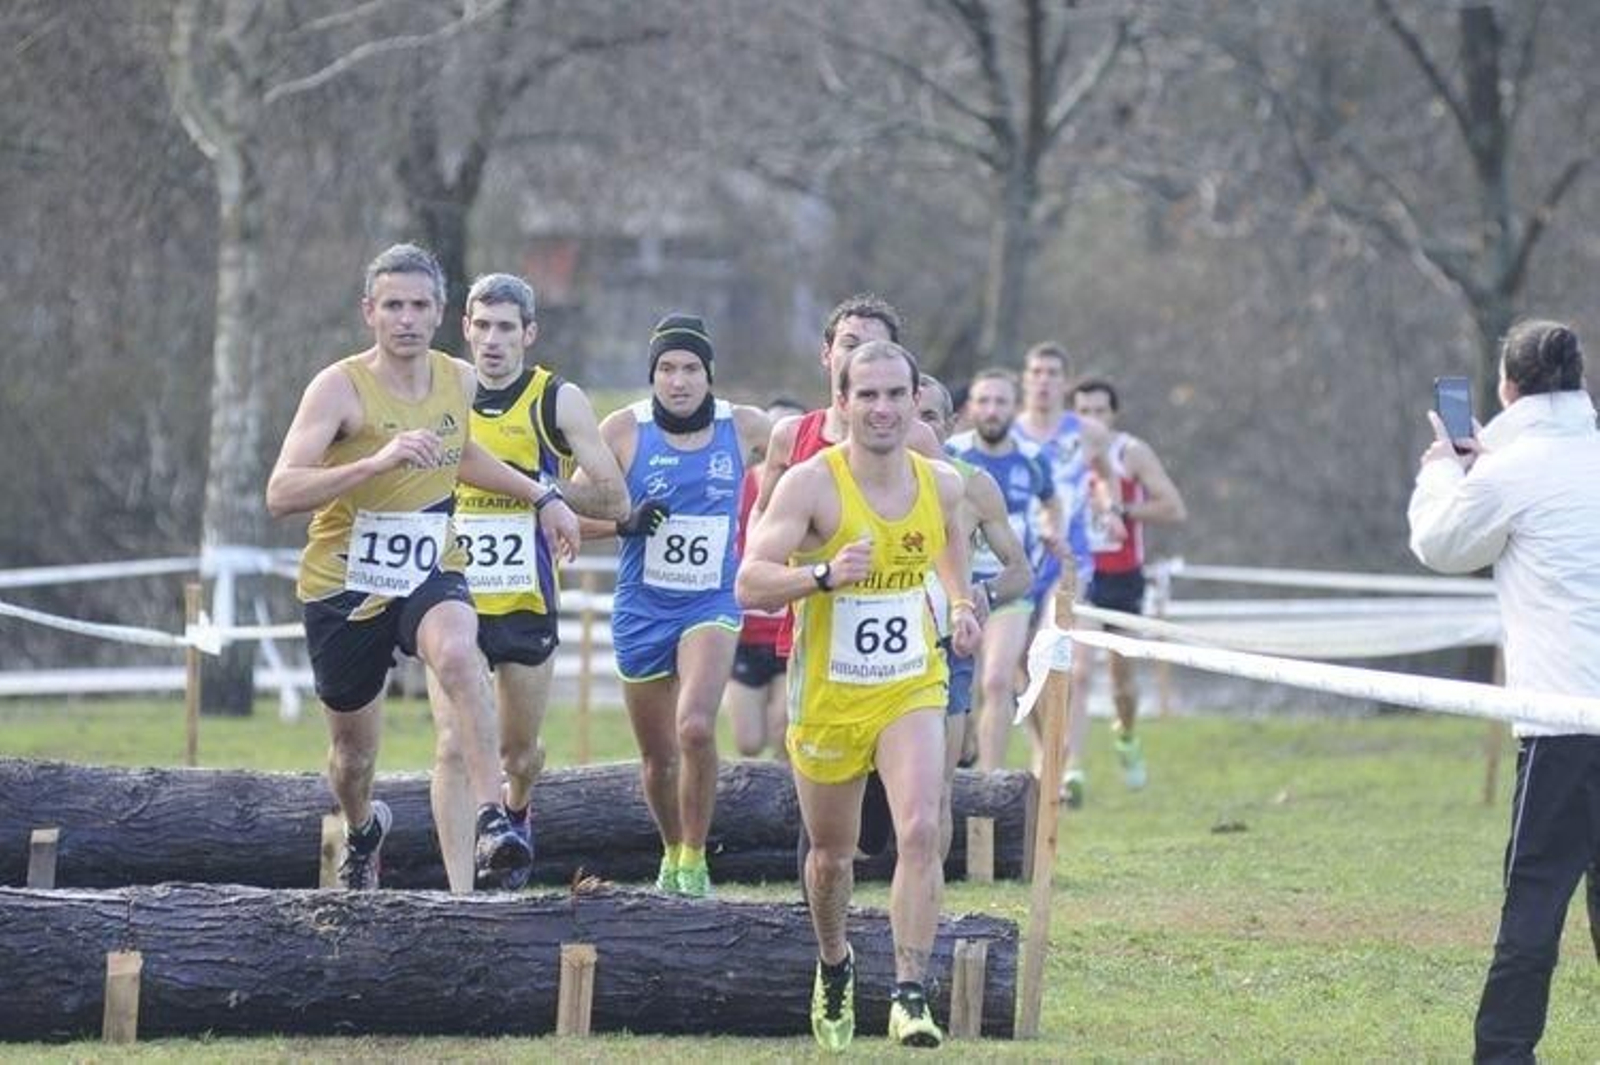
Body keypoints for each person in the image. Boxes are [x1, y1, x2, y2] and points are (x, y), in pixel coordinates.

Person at [266, 243, 580, 892]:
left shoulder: (455, 379)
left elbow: (460, 455)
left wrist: (543, 494)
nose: (405, 318)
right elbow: (281, 493)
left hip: (428, 563)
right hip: (345, 579)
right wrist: (373, 462)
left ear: (440, 312)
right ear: (369, 312)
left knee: (461, 653)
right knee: (353, 759)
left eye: (418, 305)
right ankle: (362, 828)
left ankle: (495, 819)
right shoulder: (339, 387)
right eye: (392, 306)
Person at [738, 340, 981, 1051]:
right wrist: (822, 576)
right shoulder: (811, 484)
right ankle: (835, 962)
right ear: (840, 402)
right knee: (832, 856)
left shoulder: (940, 483)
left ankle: (911, 992)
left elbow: (949, 545)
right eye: (866, 395)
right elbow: (751, 581)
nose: (882, 408)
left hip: (910, 682)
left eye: (895, 395)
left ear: (915, 401)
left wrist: (962, 605)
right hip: (830, 696)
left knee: (920, 829)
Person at [1408, 318, 1600, 1062]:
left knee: (1535, 905)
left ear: (1508, 387)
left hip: (1563, 723)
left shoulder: (1508, 470)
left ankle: (1504, 1052)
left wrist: (1444, 468)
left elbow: (1441, 544)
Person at [443, 272, 628, 887]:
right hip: (449, 596)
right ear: (465, 328)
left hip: (525, 598)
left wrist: (539, 489)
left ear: (529, 333)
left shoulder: (556, 400)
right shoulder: (441, 392)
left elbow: (613, 499)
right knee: (452, 743)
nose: (492, 341)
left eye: (506, 328)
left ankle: (517, 813)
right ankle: (461, 893)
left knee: (516, 754)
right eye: (482, 326)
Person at [578, 313, 771, 898]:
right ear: (652, 375)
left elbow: (811, 464)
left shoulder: (744, 427)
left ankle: (695, 855)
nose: (679, 380)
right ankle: (670, 849)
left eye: (691, 368)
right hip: (642, 606)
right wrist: (624, 521)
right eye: (666, 368)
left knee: (694, 727)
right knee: (658, 758)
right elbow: (564, 510)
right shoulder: (623, 432)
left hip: (710, 601)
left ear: (709, 375)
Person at [759, 294, 945, 865]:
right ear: (829, 358)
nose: (862, 354)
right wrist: (816, 572)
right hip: (814, 626)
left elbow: (944, 530)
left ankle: (903, 927)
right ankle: (822, 923)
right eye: (850, 344)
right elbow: (762, 526)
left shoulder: (917, 441)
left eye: (874, 346)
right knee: (826, 818)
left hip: (901, 648)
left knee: (897, 823)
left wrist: (957, 603)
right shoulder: (796, 437)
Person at [916, 373, 1032, 858]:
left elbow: (1021, 572)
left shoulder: (974, 486)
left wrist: (981, 592)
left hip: (946, 650)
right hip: (867, 650)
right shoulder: (852, 478)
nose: (914, 427)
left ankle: (927, 909)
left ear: (949, 425)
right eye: (907, 412)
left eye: (927, 417)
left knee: (936, 790)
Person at [1013, 341, 1121, 805]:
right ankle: (1044, 750)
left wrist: (1109, 507)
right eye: (1035, 371)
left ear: (1064, 381)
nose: (1042, 380)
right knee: (1021, 664)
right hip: (1017, 560)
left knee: (1071, 659)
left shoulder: (1089, 432)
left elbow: (1104, 473)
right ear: (1025, 378)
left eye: (1052, 372)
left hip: (1070, 559)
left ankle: (1068, 762)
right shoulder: (1007, 429)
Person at [1070, 378, 1186, 790]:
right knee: (1078, 672)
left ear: (1113, 414)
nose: (1092, 419)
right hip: (1077, 574)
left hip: (1121, 575)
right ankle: (1072, 768)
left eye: (1100, 411)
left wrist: (1122, 510)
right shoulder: (1063, 451)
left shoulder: (1130, 452)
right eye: (1084, 411)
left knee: (1121, 679)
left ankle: (1126, 733)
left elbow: (1173, 507)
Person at [947, 369, 1065, 774]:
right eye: (983, 401)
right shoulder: (952, 453)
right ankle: (962, 757)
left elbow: (1052, 503)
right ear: (970, 408)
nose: (992, 410)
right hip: (955, 584)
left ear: (1014, 408)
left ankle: (987, 784)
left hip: (1012, 587)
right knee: (959, 684)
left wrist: (1053, 530)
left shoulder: (1032, 459)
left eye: (1000, 402)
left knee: (997, 681)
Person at [726, 396, 807, 760]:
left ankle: (788, 813)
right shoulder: (738, 487)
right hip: (743, 631)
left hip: (793, 631)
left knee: (783, 731)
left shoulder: (816, 489)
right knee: (748, 741)